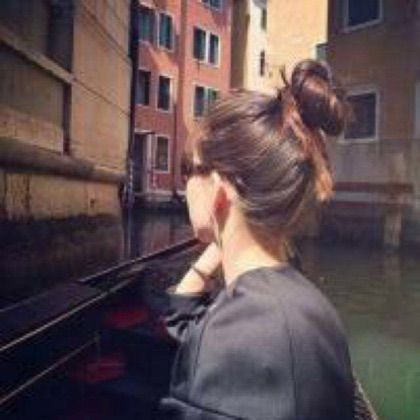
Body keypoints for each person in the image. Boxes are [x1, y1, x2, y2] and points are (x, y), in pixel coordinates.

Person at [158, 59, 355, 419]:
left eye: (189, 168)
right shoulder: (309, 304)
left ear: (218, 189)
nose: (184, 183)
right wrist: (224, 235)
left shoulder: (238, 340)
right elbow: (182, 324)